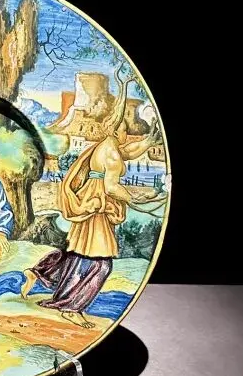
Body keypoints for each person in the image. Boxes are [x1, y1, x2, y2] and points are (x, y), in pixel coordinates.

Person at [21, 121, 161, 328]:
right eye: (125, 130)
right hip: (97, 202)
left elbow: (127, 152)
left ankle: (40, 272)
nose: (127, 134)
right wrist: (134, 198)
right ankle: (71, 307)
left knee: (81, 252)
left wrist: (148, 142)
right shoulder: (110, 151)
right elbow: (111, 187)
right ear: (116, 131)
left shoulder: (108, 145)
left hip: (92, 197)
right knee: (101, 264)